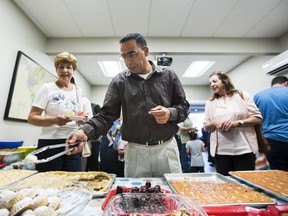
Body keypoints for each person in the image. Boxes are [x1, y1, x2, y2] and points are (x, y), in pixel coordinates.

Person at [67, 32, 190, 177]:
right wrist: (85, 131)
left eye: (132, 54)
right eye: (124, 56)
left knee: (170, 196)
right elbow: (106, 115)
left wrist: (170, 113)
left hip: (167, 149)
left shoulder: (169, 76)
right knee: (134, 197)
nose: (128, 61)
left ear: (145, 51)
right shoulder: (119, 82)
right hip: (136, 152)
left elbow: (184, 107)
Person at [28, 52, 92, 172]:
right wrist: (55, 120)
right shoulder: (47, 88)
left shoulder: (78, 91)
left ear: (74, 70)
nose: (65, 70)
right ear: (56, 69)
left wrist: (84, 123)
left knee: (71, 183)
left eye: (69, 67)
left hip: (72, 143)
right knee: (48, 183)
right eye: (61, 67)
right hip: (50, 143)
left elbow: (81, 120)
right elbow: (32, 117)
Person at [203, 71, 262, 176]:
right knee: (225, 185)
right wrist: (214, 123)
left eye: (215, 81)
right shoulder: (210, 102)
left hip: (244, 150)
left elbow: (257, 118)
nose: (212, 84)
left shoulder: (241, 95)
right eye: (210, 83)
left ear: (225, 81)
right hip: (221, 152)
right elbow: (206, 126)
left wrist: (237, 123)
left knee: (245, 184)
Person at [253, 76, 288, 171]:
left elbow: (254, 118)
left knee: (277, 174)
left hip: (270, 140)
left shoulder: (259, 96)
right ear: (286, 83)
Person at [86, 103, 101, 171]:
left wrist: (95, 135)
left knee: (93, 163)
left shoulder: (95, 106)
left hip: (94, 140)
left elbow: (100, 122)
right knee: (84, 164)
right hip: (84, 140)